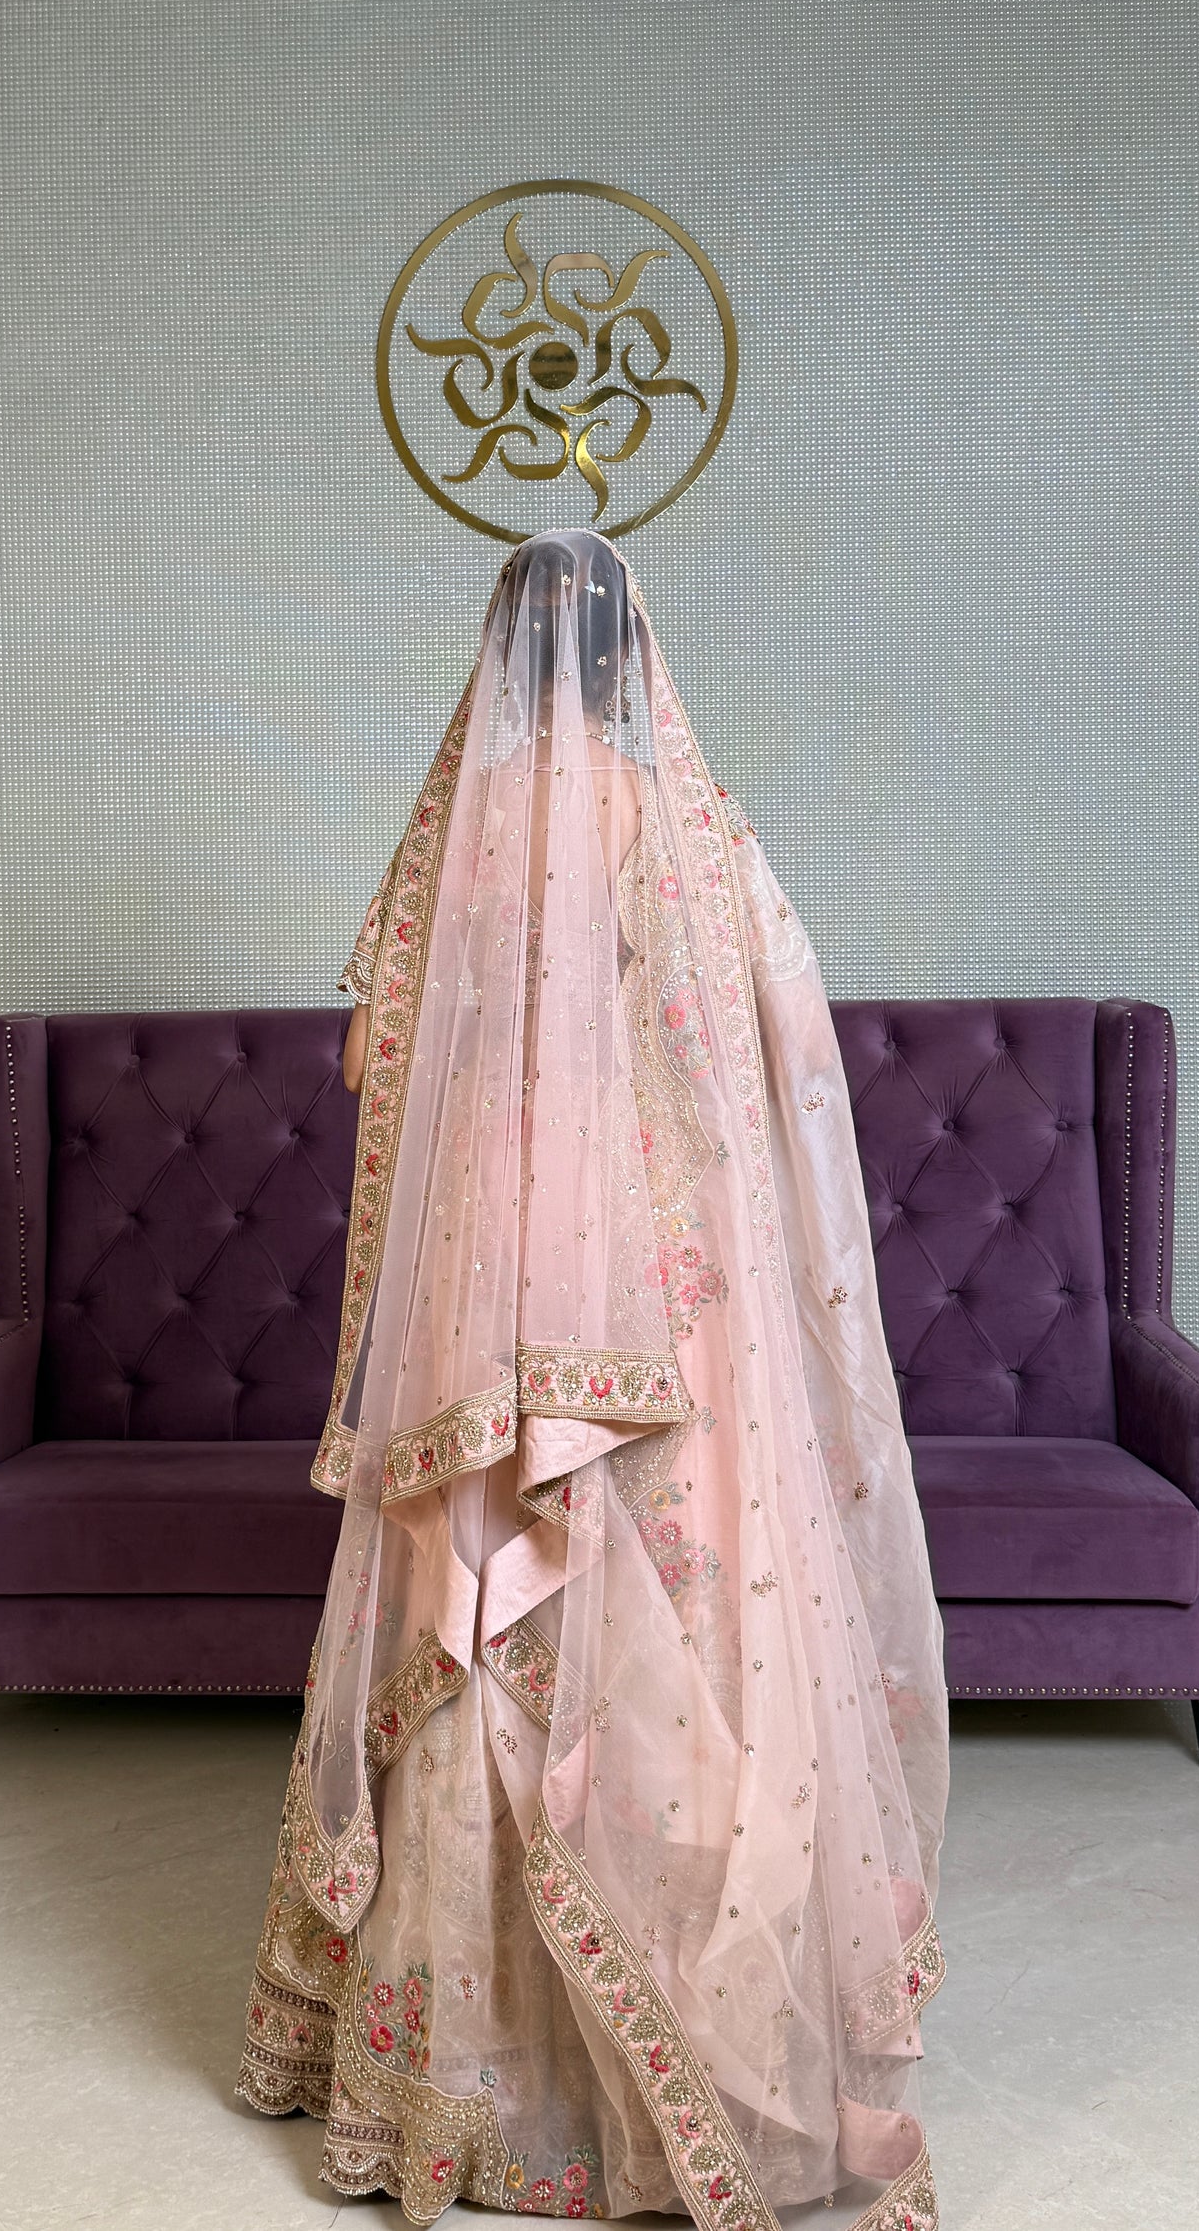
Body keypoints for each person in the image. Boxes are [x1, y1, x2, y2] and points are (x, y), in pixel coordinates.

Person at [239, 529, 947, 2231]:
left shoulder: (455, 834)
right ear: (637, 659)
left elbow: (362, 1058)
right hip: (658, 1290)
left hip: (484, 1287)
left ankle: (463, 2081)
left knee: (477, 1611)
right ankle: (678, 2028)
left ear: (498, 658)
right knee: (695, 1605)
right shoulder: (682, 823)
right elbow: (787, 1048)